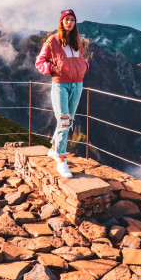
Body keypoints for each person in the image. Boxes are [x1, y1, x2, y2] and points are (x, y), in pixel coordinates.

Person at [35, 9, 89, 178]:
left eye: (72, 20)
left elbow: (80, 59)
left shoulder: (77, 42)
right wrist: (52, 68)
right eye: (67, 19)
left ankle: (53, 149)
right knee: (64, 121)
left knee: (68, 120)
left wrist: (84, 66)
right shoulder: (53, 40)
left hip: (77, 85)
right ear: (61, 22)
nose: (70, 22)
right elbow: (39, 61)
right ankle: (61, 159)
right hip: (60, 85)